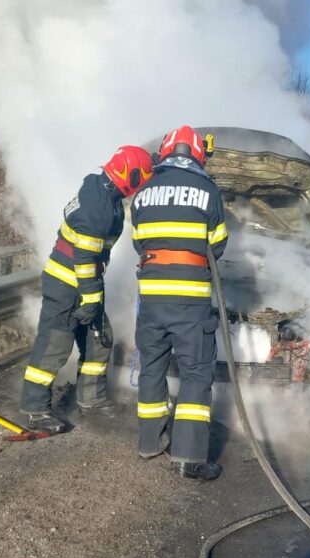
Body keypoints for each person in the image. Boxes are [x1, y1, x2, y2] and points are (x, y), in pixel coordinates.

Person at [19, 146, 154, 434]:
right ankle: (35, 408)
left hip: (85, 280)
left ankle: (91, 398)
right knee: (55, 345)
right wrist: (91, 300)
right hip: (68, 282)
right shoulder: (99, 208)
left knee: (99, 340)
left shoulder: (101, 185)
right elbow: (84, 258)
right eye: (141, 179)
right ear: (130, 177)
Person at [131, 125, 227, 481]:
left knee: (152, 366)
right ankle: (189, 457)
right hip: (190, 301)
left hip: (152, 298)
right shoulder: (207, 190)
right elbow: (217, 245)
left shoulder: (144, 192)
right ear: (198, 154)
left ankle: (149, 442)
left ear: (167, 152)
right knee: (196, 372)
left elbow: (139, 242)